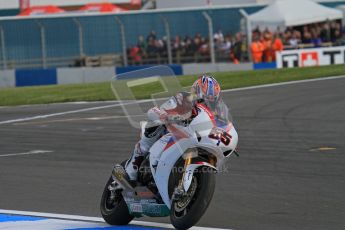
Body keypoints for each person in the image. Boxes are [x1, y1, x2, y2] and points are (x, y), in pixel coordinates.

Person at [124, 75, 224, 182]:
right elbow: (159, 110)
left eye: (212, 100)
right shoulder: (182, 98)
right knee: (155, 125)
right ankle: (132, 168)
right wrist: (169, 116)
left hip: (192, 139)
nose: (207, 104)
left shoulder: (217, 113)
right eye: (205, 100)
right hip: (170, 132)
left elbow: (222, 128)